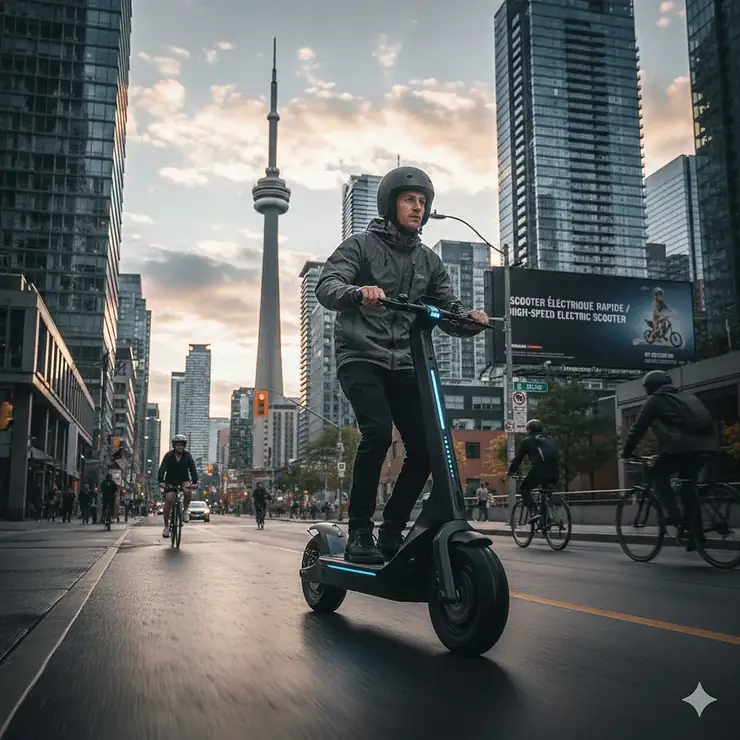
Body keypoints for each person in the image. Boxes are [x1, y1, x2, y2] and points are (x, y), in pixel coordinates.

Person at [315, 165, 489, 564]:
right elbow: (328, 286)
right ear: (391, 203)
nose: (416, 207)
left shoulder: (429, 262)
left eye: (422, 202)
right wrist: (358, 292)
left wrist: (471, 320)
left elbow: (449, 309)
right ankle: (361, 530)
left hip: (406, 362)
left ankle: (392, 529)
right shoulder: (360, 246)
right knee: (376, 432)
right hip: (361, 355)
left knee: (428, 448)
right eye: (409, 199)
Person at [620, 370, 718, 547]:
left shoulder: (656, 400)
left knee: (655, 474)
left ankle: (674, 515)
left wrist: (627, 451)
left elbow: (638, 428)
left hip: (681, 448)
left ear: (650, 387)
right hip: (708, 446)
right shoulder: (688, 396)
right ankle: (696, 534)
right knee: (688, 486)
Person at [507, 419, 560, 522]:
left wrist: (511, 471)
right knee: (546, 495)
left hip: (539, 472)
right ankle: (546, 521)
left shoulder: (527, 441)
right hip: (554, 473)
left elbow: (518, 459)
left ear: (529, 429)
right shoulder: (550, 439)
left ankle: (533, 511)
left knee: (524, 489)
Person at [158, 433, 198, 538]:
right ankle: (166, 526)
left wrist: (194, 482)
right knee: (169, 500)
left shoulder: (188, 456)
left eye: (182, 445)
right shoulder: (169, 456)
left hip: (184, 480)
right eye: (177, 445)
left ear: (184, 446)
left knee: (187, 491)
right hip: (171, 480)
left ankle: (185, 511)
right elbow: (162, 468)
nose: (180, 447)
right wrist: (161, 481)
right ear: (174, 445)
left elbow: (192, 469)